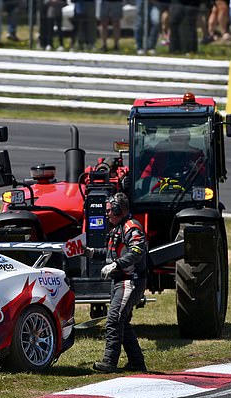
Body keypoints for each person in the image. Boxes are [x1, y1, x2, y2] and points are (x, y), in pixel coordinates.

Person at [84, 193, 148, 373]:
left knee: (114, 320)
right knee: (122, 321)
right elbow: (110, 252)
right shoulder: (117, 228)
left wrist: (116, 264)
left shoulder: (131, 227)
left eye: (110, 210)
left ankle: (109, 362)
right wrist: (88, 252)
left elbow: (137, 251)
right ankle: (137, 362)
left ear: (120, 210)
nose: (106, 214)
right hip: (120, 281)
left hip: (130, 281)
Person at [140, 127, 204, 179]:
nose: (178, 143)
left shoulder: (197, 156)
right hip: (163, 190)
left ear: (188, 139)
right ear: (169, 140)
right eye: (175, 139)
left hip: (189, 189)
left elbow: (207, 176)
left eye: (181, 139)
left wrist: (196, 169)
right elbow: (146, 174)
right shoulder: (160, 155)